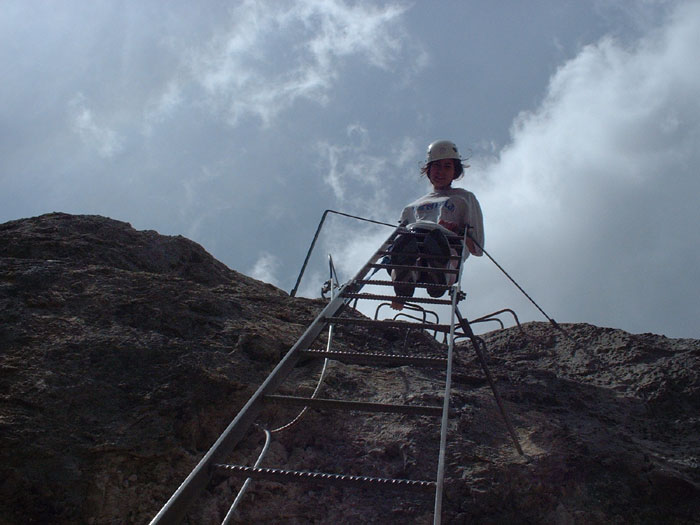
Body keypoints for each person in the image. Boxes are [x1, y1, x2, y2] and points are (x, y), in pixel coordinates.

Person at [388, 139, 484, 309]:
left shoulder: (464, 199)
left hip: (448, 248)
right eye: (437, 166)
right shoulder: (410, 208)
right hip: (415, 246)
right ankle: (405, 277)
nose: (441, 171)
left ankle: (438, 272)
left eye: (447, 166)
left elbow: (477, 247)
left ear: (455, 171)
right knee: (405, 242)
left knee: (436, 239)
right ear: (429, 170)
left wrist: (457, 231)